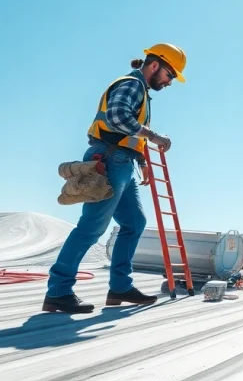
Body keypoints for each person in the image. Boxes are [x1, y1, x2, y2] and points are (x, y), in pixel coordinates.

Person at [43, 43, 187, 314]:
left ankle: (120, 287)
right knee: (92, 227)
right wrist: (153, 136)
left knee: (134, 223)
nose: (169, 82)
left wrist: (141, 161)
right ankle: (58, 291)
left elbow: (128, 132)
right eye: (170, 75)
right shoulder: (132, 85)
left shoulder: (141, 91)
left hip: (123, 162)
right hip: (109, 160)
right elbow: (117, 117)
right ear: (155, 65)